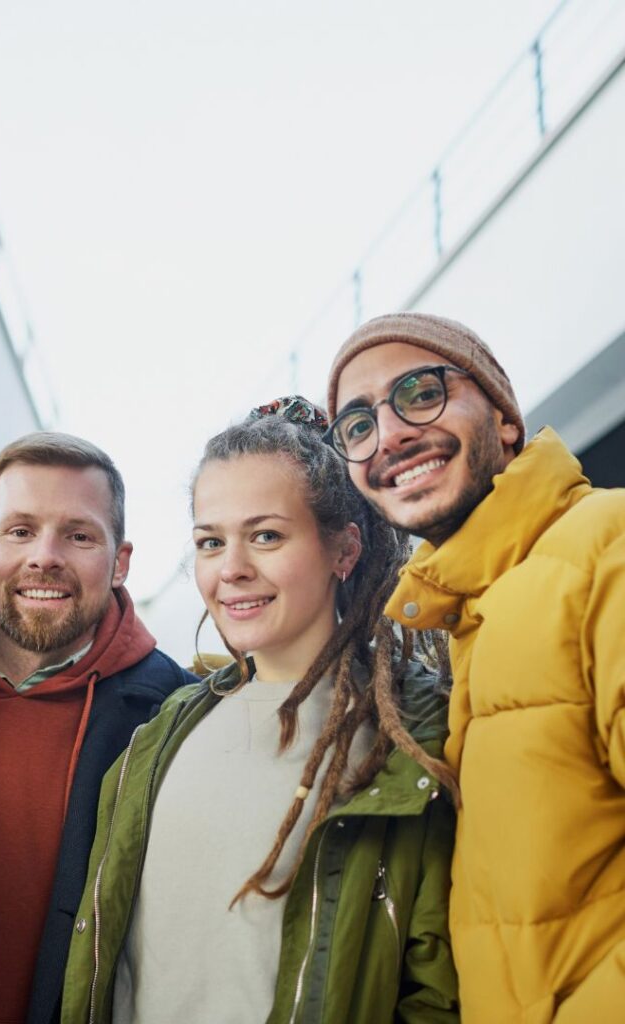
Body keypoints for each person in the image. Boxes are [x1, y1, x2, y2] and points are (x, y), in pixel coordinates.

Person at [61, 398, 460, 1024]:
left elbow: (439, 988)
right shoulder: (160, 736)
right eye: (211, 542)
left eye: (266, 535)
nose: (233, 569)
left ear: (344, 550)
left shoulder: (413, 736)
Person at [327, 312, 625, 1021]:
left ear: (504, 418)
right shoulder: (468, 617)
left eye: (420, 392)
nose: (390, 434)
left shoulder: (604, 545)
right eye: (357, 424)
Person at [0, 432, 192, 1024]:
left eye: (79, 535)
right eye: (21, 530)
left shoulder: (176, 714)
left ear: (121, 562)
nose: (45, 557)